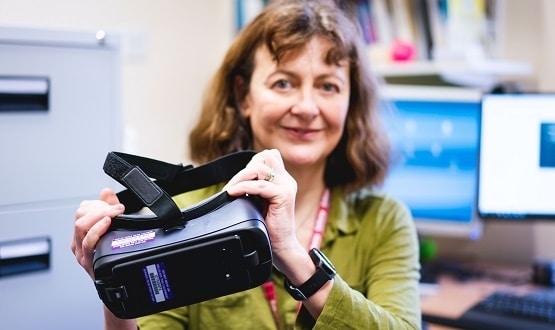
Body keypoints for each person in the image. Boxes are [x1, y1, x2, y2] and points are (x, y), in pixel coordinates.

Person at [71, 0, 421, 329]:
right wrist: (117, 294)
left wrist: (292, 256)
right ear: (244, 96)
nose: (307, 107)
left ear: (350, 102)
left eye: (328, 86)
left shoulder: (384, 221)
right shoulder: (183, 217)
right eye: (283, 83)